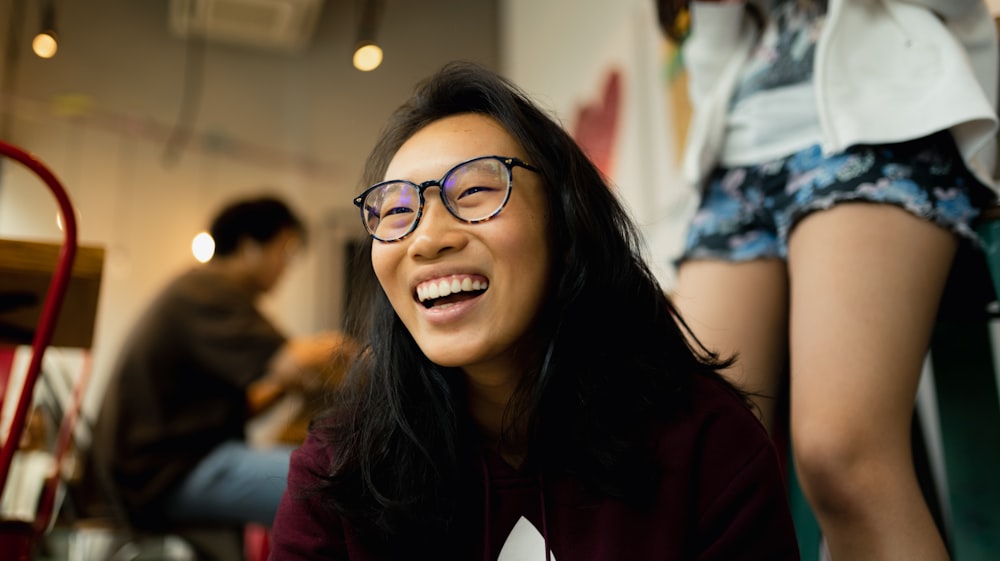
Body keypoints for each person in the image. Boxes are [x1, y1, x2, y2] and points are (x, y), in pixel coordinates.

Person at [268, 62, 800, 560]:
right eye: (398, 210)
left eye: (475, 190)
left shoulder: (707, 446)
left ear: (567, 229)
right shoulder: (341, 472)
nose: (426, 239)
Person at [655, 1, 998, 559]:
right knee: (689, 465)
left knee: (841, 456)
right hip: (737, 164)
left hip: (880, 131)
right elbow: (714, 74)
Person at [91, 195, 349, 534]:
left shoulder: (201, 289)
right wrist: (355, 352)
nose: (287, 266)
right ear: (248, 246)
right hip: (162, 475)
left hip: (164, 469)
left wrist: (285, 384)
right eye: (285, 251)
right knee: (335, 485)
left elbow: (253, 398)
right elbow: (296, 364)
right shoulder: (208, 289)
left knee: (325, 477)